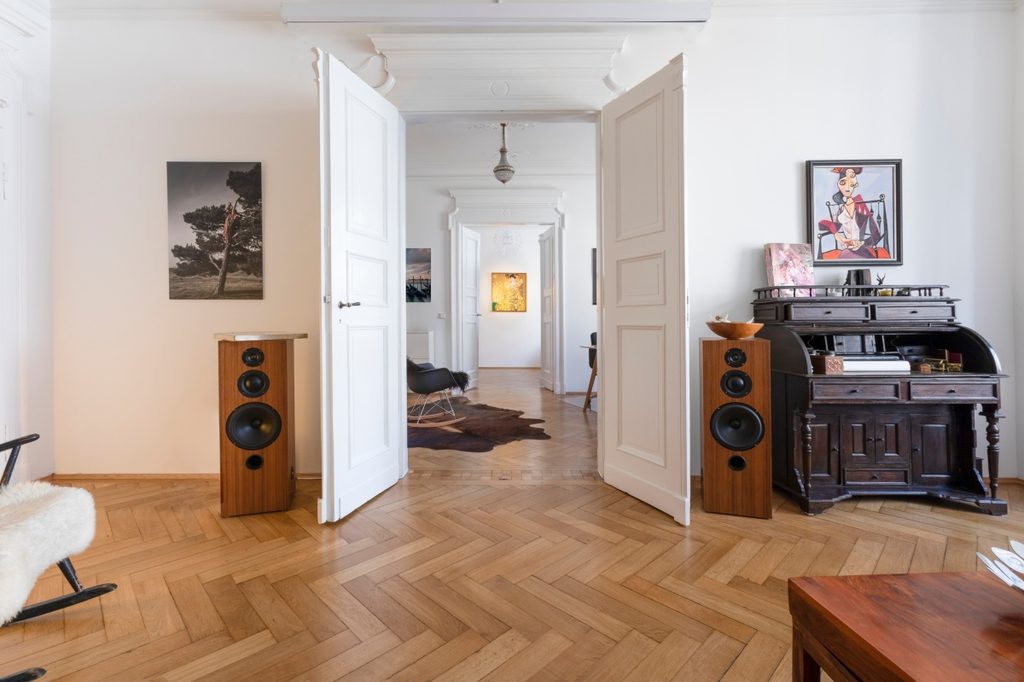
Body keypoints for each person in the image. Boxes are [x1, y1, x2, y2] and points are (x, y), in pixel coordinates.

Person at [818, 166, 885, 260]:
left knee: (845, 256)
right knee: (844, 256)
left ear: (855, 184)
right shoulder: (841, 209)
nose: (847, 187)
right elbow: (822, 224)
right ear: (839, 185)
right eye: (843, 183)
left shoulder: (860, 204)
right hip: (847, 248)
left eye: (851, 184)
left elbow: (876, 234)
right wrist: (839, 237)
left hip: (861, 249)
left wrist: (862, 243)